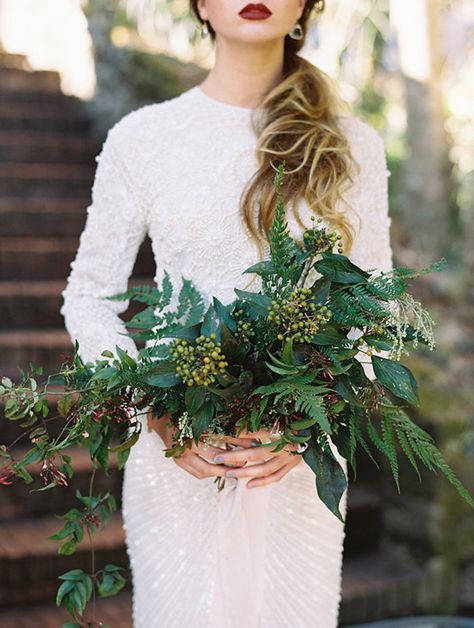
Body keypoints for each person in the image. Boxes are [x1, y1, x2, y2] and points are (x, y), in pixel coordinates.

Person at [60, 0, 393, 626]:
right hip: (177, 461)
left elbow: (376, 308)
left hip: (295, 466)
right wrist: (148, 409)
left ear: (304, 8)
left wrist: (310, 420)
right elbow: (89, 295)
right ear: (201, 5)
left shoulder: (353, 144)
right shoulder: (144, 137)